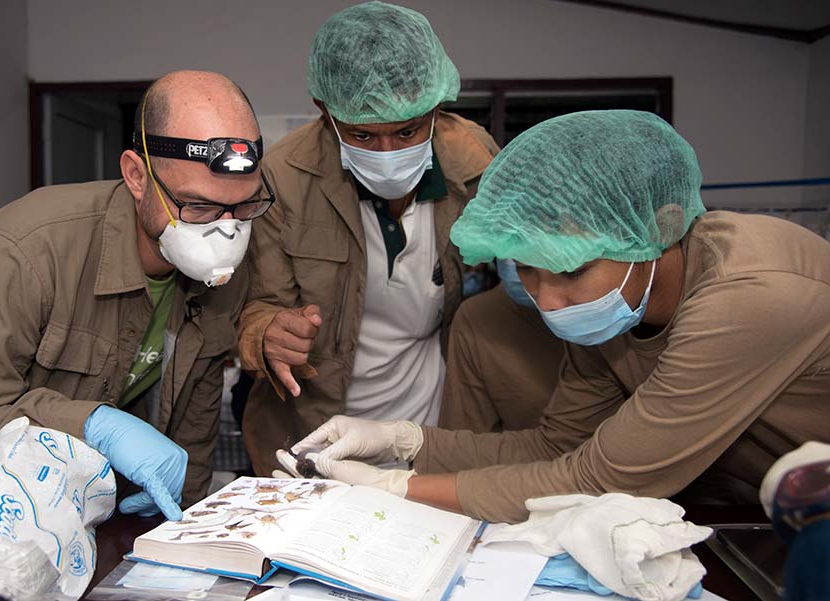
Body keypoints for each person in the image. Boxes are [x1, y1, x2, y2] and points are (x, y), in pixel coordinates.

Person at [278, 110, 830, 523]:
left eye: (570, 269)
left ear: (656, 229)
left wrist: (398, 491)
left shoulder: (751, 296)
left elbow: (599, 477)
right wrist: (401, 441)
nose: (547, 300)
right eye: (528, 269)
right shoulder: (614, 308)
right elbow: (555, 447)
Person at [0, 70, 272, 520]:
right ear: (137, 176)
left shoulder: (230, 268)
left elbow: (194, 432)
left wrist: (185, 528)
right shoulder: (25, 252)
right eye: (197, 207)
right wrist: (92, 426)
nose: (226, 231)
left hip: (105, 512)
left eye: (244, 205)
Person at [237, 1, 498, 474]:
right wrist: (266, 335)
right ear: (325, 112)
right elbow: (255, 306)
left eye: (406, 132)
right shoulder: (285, 175)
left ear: (434, 108)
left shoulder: (472, 162)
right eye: (360, 136)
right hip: (314, 430)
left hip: (435, 429)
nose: (387, 153)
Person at [438, 259, 564, 433]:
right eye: (524, 267)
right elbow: (467, 443)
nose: (546, 303)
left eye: (573, 272)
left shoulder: (607, 324)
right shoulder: (480, 322)